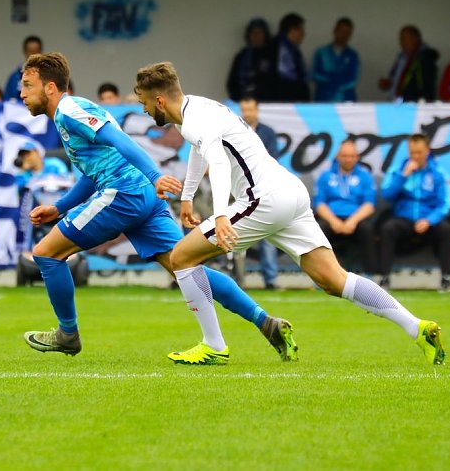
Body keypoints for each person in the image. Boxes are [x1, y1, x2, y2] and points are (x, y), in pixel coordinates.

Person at [133, 61, 445, 366]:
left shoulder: (194, 120)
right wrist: (188, 196)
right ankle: (416, 327)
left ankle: (214, 346)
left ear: (159, 100)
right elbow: (200, 149)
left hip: (263, 198)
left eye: (144, 102)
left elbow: (217, 161)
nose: (144, 109)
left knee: (180, 258)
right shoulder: (196, 109)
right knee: (333, 280)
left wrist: (221, 215)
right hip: (289, 193)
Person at [20, 52, 297, 365]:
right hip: (141, 196)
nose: (22, 93)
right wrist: (59, 207)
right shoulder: (70, 115)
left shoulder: (70, 110)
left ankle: (67, 334)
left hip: (124, 193)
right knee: (185, 265)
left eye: (28, 85)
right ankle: (265, 322)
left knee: (46, 253)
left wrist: (155, 176)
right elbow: (92, 173)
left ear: (51, 87)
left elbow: (121, 141)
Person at [379, 134, 450, 291]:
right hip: (404, 219)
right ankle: (384, 278)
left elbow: (445, 204)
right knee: (388, 228)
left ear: (427, 151)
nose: (415, 156)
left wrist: (429, 220)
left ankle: (446, 279)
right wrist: (403, 176)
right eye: (412, 152)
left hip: (428, 220)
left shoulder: (438, 173)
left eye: (419, 152)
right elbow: (386, 195)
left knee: (446, 230)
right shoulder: (398, 170)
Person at [313, 140, 378, 276]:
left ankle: (370, 275)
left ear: (357, 157)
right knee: (319, 231)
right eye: (345, 156)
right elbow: (319, 204)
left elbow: (369, 205)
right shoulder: (325, 176)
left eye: (352, 156)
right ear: (338, 156)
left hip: (356, 218)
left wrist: (352, 222)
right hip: (332, 217)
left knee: (367, 230)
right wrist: (334, 221)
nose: (348, 159)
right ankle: (321, 275)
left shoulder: (365, 176)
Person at [239, 97, 279, 289]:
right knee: (235, 234)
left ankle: (271, 280)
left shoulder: (268, 133)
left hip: (265, 187)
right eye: (244, 110)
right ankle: (237, 278)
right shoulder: (236, 130)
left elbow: (272, 159)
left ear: (257, 110)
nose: (247, 113)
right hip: (241, 189)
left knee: (268, 234)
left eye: (250, 110)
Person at [380, 25, 439, 102]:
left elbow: (425, 86)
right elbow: (399, 80)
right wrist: (389, 83)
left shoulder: (425, 58)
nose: (401, 42)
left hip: (412, 105)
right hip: (395, 102)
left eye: (404, 39)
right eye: (400, 39)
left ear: (415, 39)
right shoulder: (402, 57)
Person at [312, 17, 360, 102]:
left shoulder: (353, 56)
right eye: (341, 31)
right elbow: (315, 74)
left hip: (345, 100)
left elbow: (353, 80)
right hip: (324, 99)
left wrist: (333, 80)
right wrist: (336, 79)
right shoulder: (321, 53)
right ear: (335, 31)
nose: (344, 35)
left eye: (347, 32)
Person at [225, 18, 273, 102]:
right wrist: (238, 99)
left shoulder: (273, 55)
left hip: (268, 103)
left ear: (265, 34)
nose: (256, 35)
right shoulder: (242, 56)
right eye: (253, 32)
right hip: (244, 102)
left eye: (259, 32)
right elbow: (232, 82)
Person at [268, 13, 309, 103]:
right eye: (301, 29)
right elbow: (287, 77)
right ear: (292, 30)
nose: (303, 34)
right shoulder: (279, 48)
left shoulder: (292, 49)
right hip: (283, 101)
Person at [4, 35, 42, 101]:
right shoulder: (15, 77)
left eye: (36, 51)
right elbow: (8, 100)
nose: (33, 55)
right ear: (25, 51)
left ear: (41, 52)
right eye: (30, 51)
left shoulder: (47, 76)